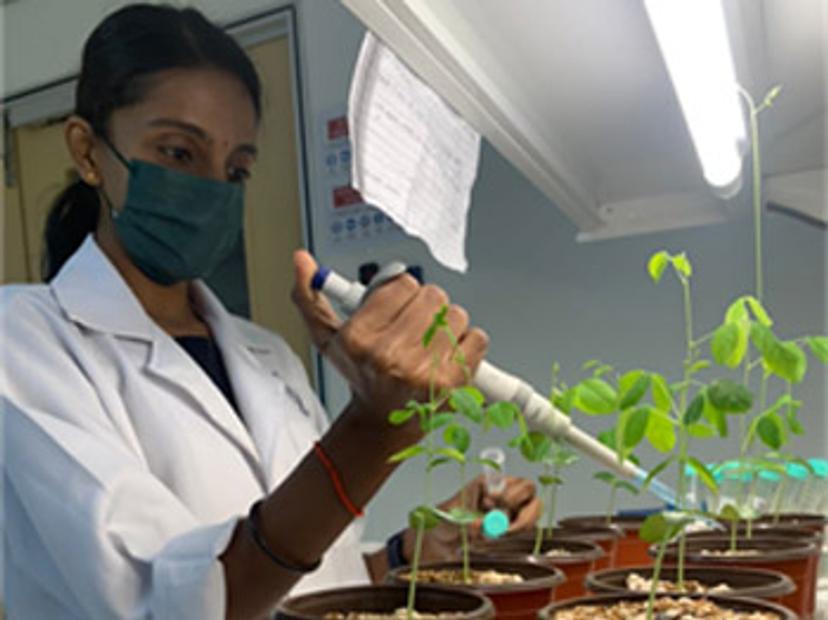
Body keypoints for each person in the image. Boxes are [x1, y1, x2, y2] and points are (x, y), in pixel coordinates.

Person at [0, 5, 541, 620]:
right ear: (88, 151)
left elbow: (315, 581)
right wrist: (373, 432)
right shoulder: (23, 341)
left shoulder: (268, 357)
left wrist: (415, 550)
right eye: (178, 153)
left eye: (236, 170)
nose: (211, 188)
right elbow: (179, 603)